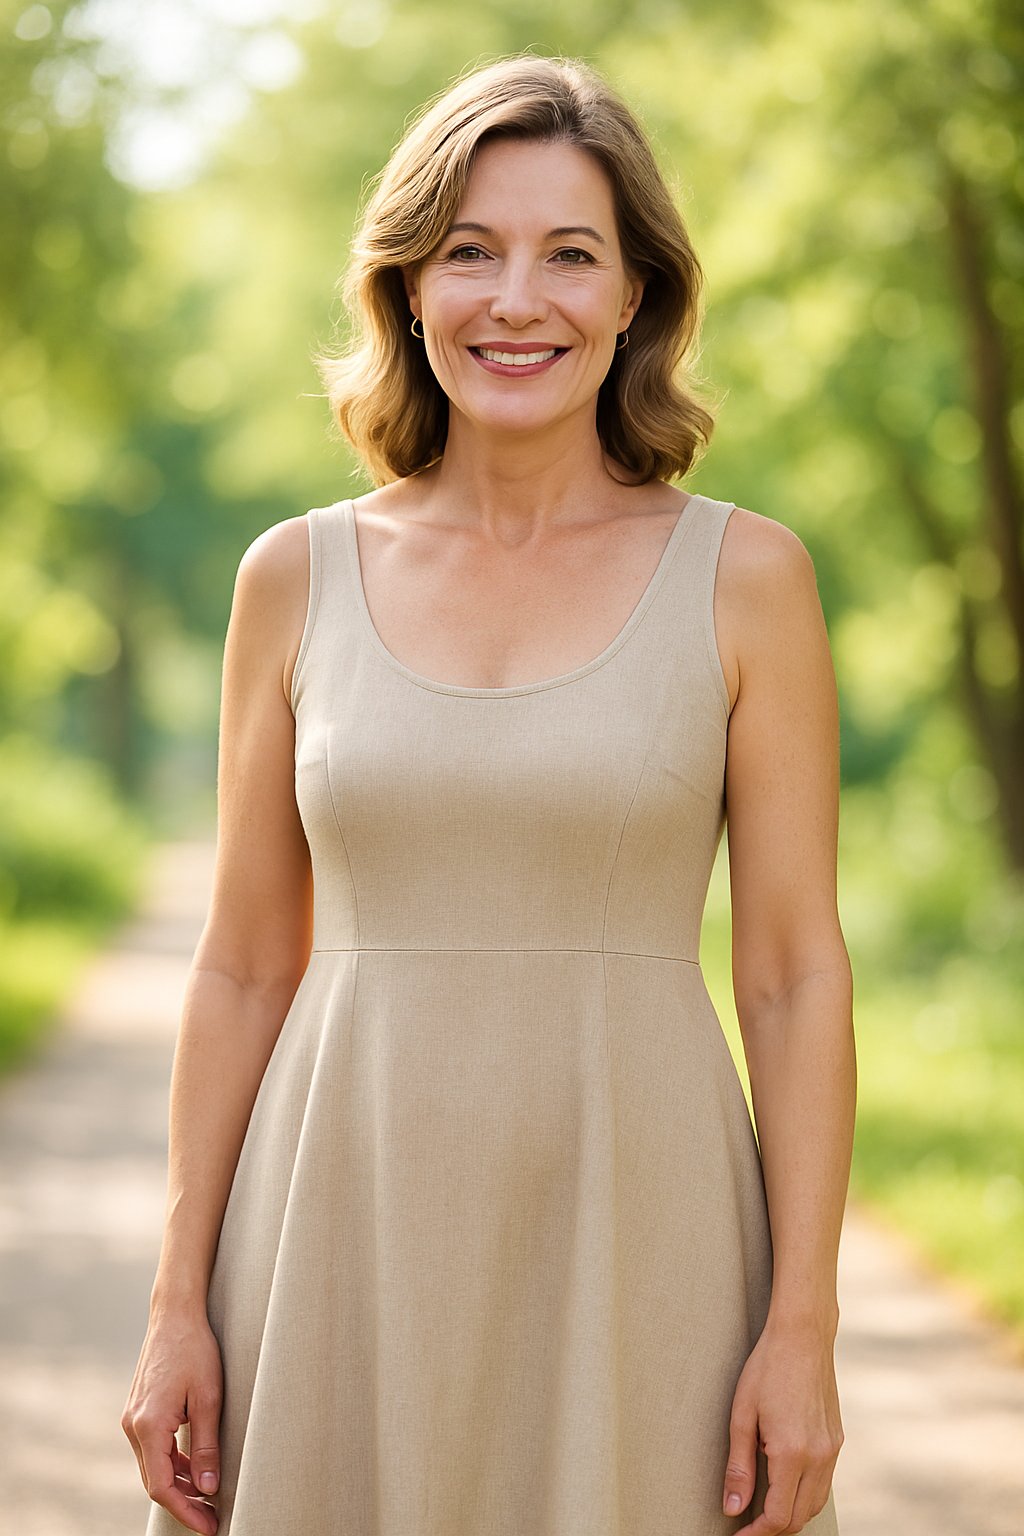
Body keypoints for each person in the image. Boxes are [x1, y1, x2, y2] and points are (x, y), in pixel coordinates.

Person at [122, 51, 856, 1536]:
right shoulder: (293, 579)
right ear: (405, 288)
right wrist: (175, 1302)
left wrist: (803, 1328)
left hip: (647, 1256)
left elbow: (790, 975)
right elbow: (244, 962)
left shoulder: (750, 580)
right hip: (331, 1245)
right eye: (470, 252)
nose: (517, 299)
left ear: (635, 294)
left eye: (570, 255)